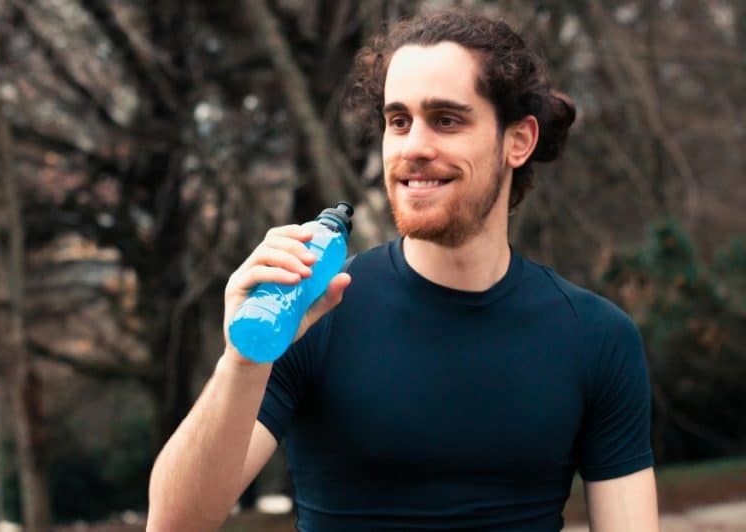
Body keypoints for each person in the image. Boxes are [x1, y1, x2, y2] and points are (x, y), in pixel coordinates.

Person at [147, 9, 658, 531]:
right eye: (398, 121)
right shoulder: (312, 313)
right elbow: (174, 525)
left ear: (518, 141)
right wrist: (242, 360)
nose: (413, 147)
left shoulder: (596, 338)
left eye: (447, 120)